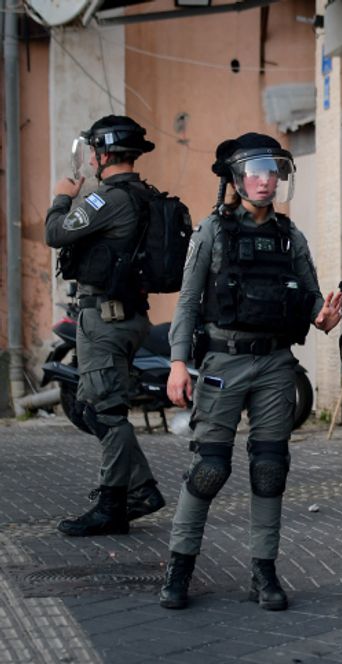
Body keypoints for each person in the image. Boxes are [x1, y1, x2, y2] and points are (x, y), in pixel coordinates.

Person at [158, 133, 340, 611]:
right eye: (255, 170)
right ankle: (179, 569)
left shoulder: (290, 235)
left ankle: (264, 572)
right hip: (224, 361)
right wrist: (179, 363)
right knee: (209, 470)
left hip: (277, 364)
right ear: (236, 179)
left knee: (269, 469)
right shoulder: (212, 232)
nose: (265, 179)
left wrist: (325, 316)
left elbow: (312, 297)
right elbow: (187, 301)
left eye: (273, 169)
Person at [44, 115, 166, 536]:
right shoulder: (145, 196)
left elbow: (56, 233)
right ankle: (137, 489)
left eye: (93, 152)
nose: (90, 159)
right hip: (129, 317)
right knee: (100, 406)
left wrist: (62, 198)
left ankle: (118, 502)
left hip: (106, 319)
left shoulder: (107, 199)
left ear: (103, 154)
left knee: (103, 411)